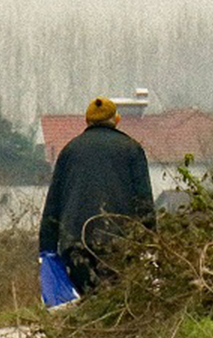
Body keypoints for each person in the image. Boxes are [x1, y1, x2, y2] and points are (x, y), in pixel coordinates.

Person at [39, 95, 155, 295]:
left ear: (87, 121)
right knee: (118, 299)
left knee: (87, 299)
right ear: (116, 120)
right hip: (120, 242)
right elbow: (144, 201)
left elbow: (54, 203)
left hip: (76, 243)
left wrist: (47, 249)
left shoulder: (69, 151)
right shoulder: (131, 149)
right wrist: (150, 242)